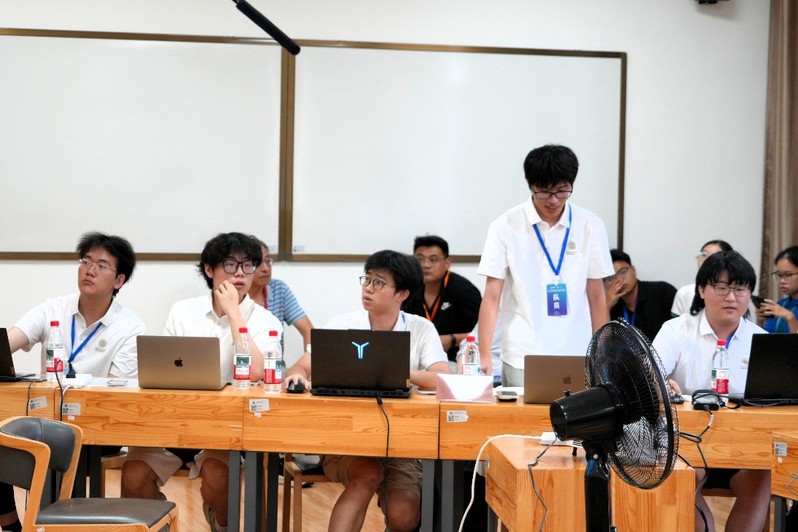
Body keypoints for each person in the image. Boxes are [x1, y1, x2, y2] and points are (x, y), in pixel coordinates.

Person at [121, 232, 282, 532]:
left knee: (217, 474)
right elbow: (164, 368)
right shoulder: (183, 311)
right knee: (134, 473)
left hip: (226, 428)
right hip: (177, 420)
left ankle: (221, 524)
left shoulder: (265, 321)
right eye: (230, 264)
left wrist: (234, 313)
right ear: (209, 270)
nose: (240, 273)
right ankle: (159, 523)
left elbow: (258, 371)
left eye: (248, 265)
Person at [285, 250, 450, 532]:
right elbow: (300, 367)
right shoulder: (341, 325)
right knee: (367, 474)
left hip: (401, 442)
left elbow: (441, 378)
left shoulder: (421, 329)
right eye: (367, 280)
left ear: (402, 294)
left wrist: (397, 370)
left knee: (403, 514)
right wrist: (297, 376)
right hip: (346, 436)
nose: (368, 288)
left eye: (379, 283)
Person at [2, 231, 144, 532]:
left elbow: (116, 390)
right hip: (45, 420)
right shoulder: (53, 309)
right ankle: (12, 523)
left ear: (119, 280)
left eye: (102, 265)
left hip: (101, 426)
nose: (90, 270)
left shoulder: (130, 327)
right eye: (85, 261)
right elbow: (10, 341)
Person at [477, 144, 614, 386]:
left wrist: (601, 353)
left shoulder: (590, 225)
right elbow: (491, 296)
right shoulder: (504, 226)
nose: (553, 200)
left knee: (580, 411)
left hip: (577, 351)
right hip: (523, 354)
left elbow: (596, 295)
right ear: (529, 183)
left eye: (562, 191)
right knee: (524, 412)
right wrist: (484, 354)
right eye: (544, 192)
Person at [652, 250, 769, 532]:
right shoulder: (676, 330)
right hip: (687, 442)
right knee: (685, 473)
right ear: (702, 290)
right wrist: (661, 384)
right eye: (722, 287)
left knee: (763, 474)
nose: (731, 297)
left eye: (740, 289)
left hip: (742, 444)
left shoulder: (761, 340)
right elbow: (648, 375)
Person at [402, 235, 481, 365]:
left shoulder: (464, 290)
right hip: (418, 359)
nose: (425, 265)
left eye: (433, 260)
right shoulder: (409, 289)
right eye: (420, 259)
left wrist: (453, 339)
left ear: (447, 263)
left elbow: (486, 332)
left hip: (456, 359)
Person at [248, 237, 314, 349]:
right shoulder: (232, 294)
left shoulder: (278, 289)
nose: (266, 268)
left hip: (274, 359)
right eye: (257, 263)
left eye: (267, 261)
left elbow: (308, 330)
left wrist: (308, 358)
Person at [604, 249, 677, 341]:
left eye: (623, 272)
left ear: (633, 270)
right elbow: (603, 344)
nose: (619, 280)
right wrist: (606, 307)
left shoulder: (662, 292)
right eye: (612, 277)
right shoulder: (613, 307)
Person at [671, 240, 733, 317]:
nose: (706, 260)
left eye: (714, 257)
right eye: (704, 255)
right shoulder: (684, 292)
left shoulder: (735, 293)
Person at [756, 245, 798, 333]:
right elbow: (765, 338)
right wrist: (760, 322)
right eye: (779, 275)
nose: (782, 281)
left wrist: (790, 317)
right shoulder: (781, 304)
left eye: (788, 275)